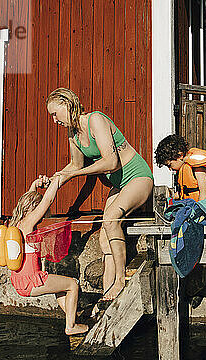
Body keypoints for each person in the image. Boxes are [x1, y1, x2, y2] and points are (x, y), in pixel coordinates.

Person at [46, 88, 154, 301]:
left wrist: (75, 174)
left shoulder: (95, 120)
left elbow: (111, 162)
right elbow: (75, 165)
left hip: (138, 178)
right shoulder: (73, 135)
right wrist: (56, 177)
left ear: (67, 104)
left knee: (111, 218)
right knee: (105, 239)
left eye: (55, 114)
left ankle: (120, 281)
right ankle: (107, 295)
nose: (54, 120)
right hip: (120, 184)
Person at [9, 175, 88, 335]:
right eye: (37, 209)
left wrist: (34, 185)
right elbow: (47, 201)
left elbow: (28, 200)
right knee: (73, 285)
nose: (43, 213)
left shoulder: (15, 223)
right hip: (32, 281)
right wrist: (58, 180)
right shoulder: (28, 223)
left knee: (60, 288)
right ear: (32, 208)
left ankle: (72, 318)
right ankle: (71, 327)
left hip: (20, 281)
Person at [154, 134, 206, 201]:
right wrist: (171, 196)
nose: (170, 169)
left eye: (169, 165)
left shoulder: (197, 168)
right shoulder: (183, 169)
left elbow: (204, 192)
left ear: (179, 156)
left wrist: (198, 211)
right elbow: (186, 192)